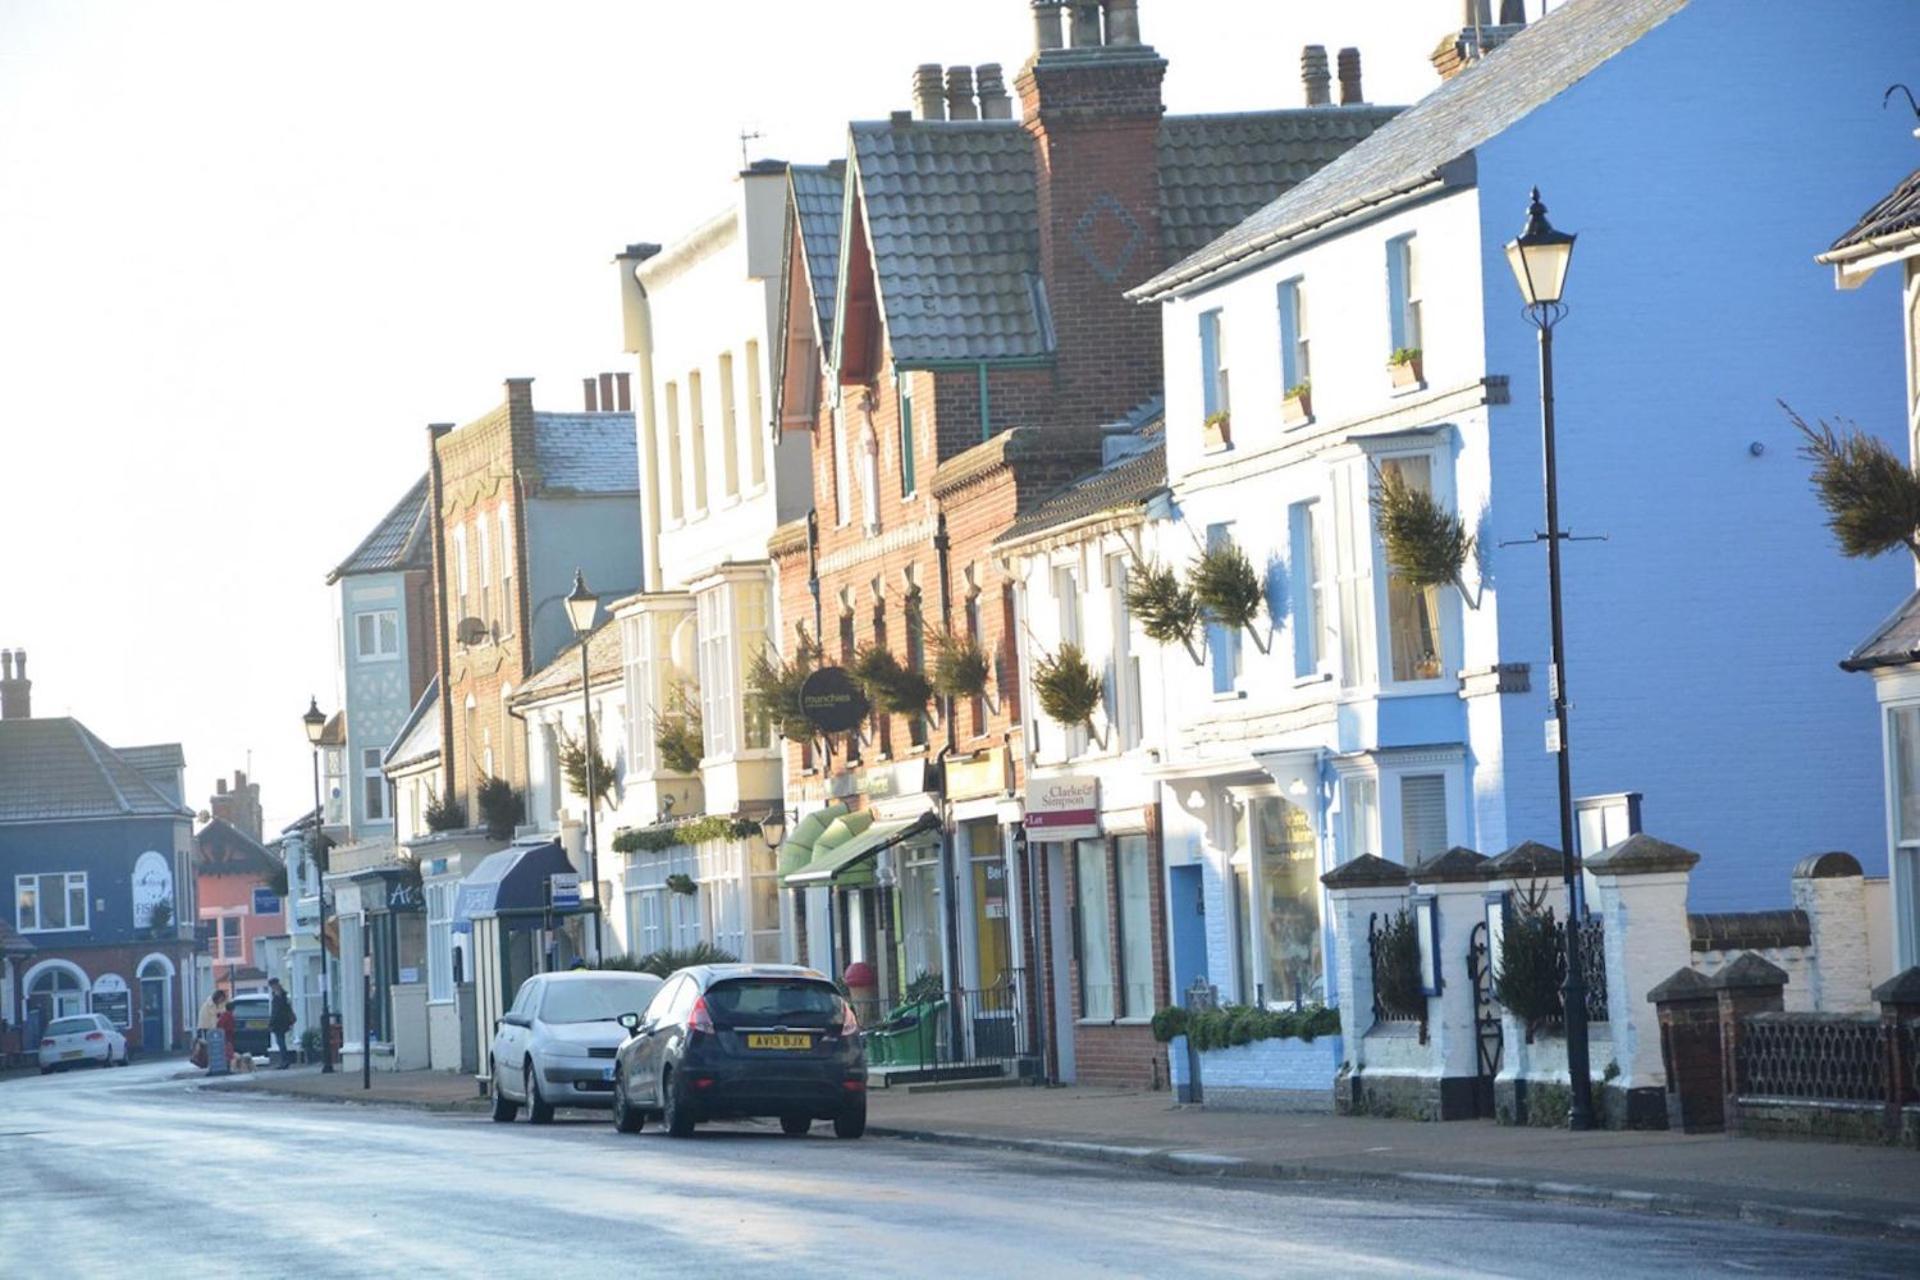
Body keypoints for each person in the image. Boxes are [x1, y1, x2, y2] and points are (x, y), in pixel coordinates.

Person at [267, 977, 296, 1069]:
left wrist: (271, 1022)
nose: (272, 987)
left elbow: (276, 1011)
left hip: (279, 1022)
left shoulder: (278, 996)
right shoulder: (283, 995)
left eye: (272, 985)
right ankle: (285, 1060)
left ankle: (285, 1061)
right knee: (281, 1041)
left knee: (281, 1042)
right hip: (283, 1021)